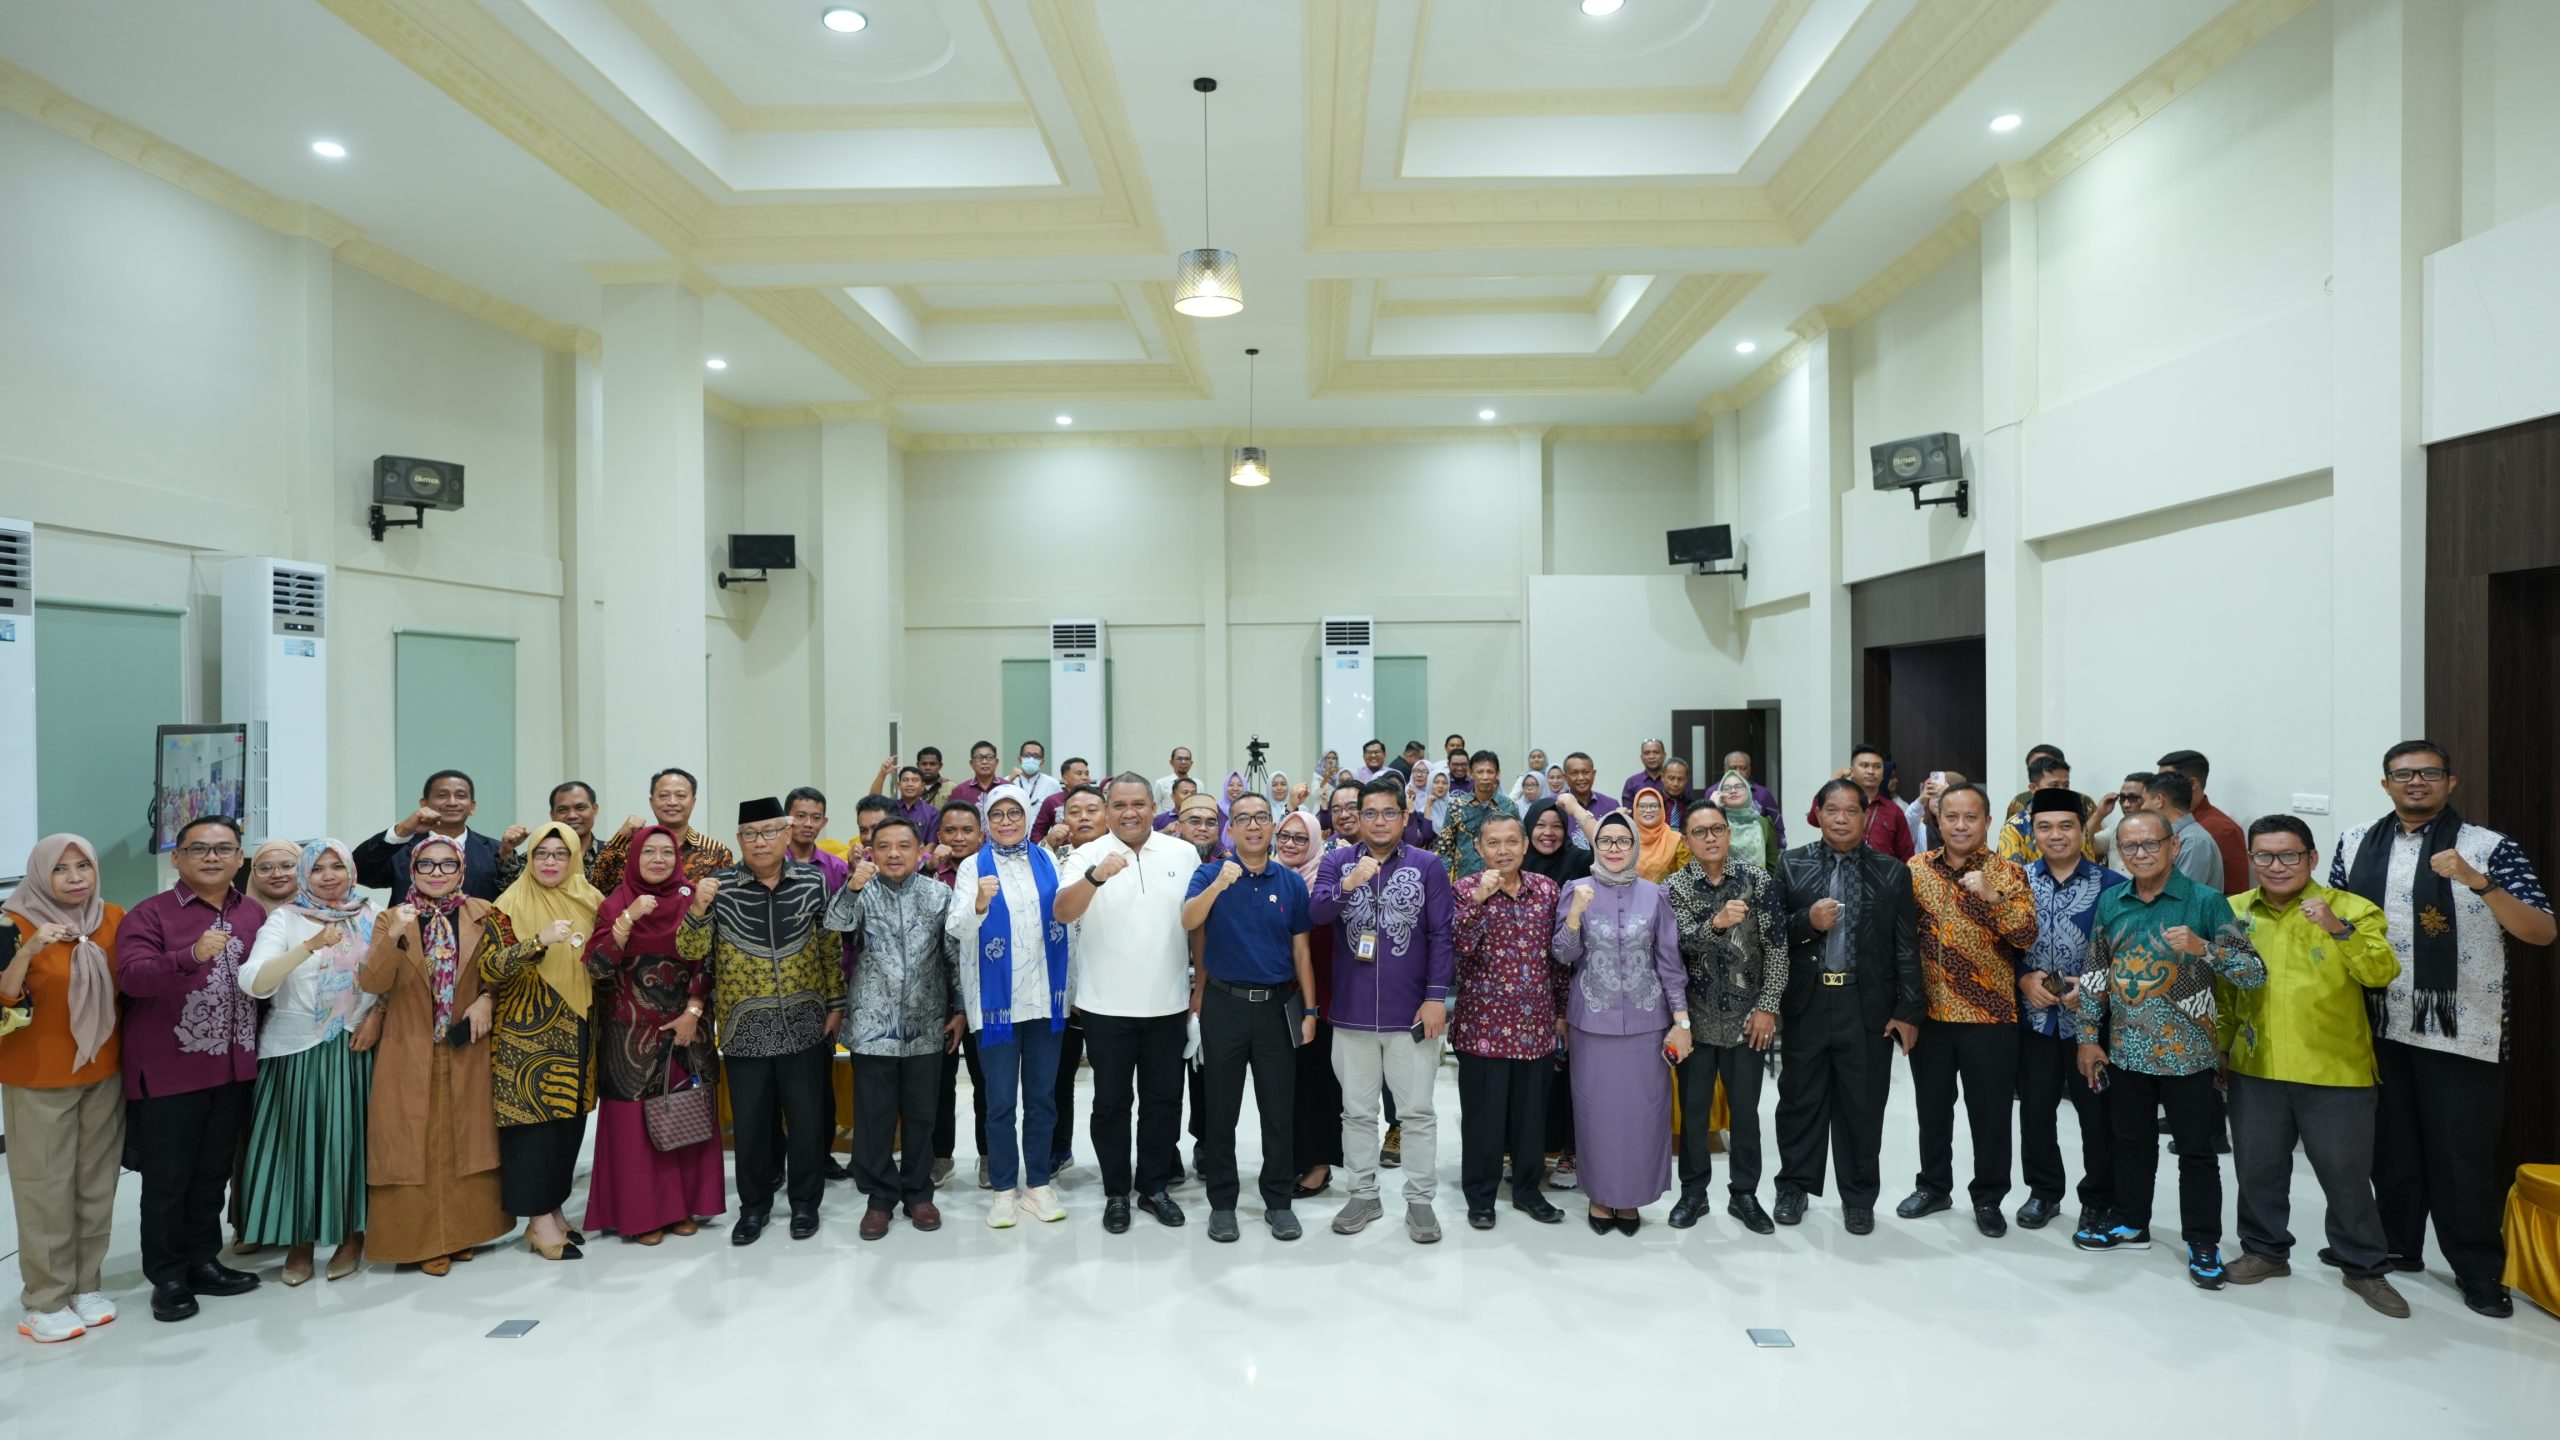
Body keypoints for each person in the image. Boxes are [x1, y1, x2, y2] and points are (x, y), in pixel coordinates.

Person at [2332, 740, 2553, 1318]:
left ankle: (2478, 1269)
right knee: (2390, 1149)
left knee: (2462, 1158)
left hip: (2463, 1028)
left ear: (2451, 783)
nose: (2416, 782)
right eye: (2403, 774)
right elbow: (2335, 923)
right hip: (2378, 1020)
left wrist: (2479, 881)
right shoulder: (2354, 842)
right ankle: (2397, 1245)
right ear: (2385, 784)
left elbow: (2541, 932)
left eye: (2429, 773)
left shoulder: (2489, 847)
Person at [2219, 815, 2407, 1317]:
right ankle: (2264, 1251)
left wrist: (2338, 929)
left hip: (2335, 1069)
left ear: (2312, 858)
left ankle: (2363, 1266)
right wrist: (2220, 1049)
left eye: (2289, 855)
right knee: (2257, 1169)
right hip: (2257, 1065)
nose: (2276, 866)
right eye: (2264, 856)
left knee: (2347, 1176)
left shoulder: (2352, 909)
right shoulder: (2234, 911)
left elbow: (2381, 972)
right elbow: (2224, 989)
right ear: (2252, 859)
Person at [2070, 810, 2266, 1289]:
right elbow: (2095, 973)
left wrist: (2204, 949)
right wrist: (2088, 1037)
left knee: (2197, 1154)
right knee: (2130, 1143)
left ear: (2173, 847)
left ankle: (2202, 1241)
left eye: (2151, 844)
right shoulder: (2113, 900)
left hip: (2189, 1057)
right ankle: (2130, 1222)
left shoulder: (2205, 902)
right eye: (2129, 846)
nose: (2140, 854)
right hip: (2127, 1052)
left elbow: (2253, 973)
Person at [114, 815, 265, 1320]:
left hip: (234, 1068)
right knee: (167, 1181)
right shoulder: (150, 915)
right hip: (169, 1070)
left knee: (211, 1174)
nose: (212, 857)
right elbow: (132, 978)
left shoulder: (252, 912)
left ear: (240, 859)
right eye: (199, 848)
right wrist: (189, 955)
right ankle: (168, 1277)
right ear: (177, 858)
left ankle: (203, 1261)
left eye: (224, 848)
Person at [358, 833, 521, 1278]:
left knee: (466, 1135)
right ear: (412, 870)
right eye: (426, 865)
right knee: (414, 1140)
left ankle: (466, 1232)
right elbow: (373, 983)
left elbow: (504, 969)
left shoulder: (484, 912)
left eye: (447, 864)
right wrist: (394, 935)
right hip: (409, 1043)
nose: (437, 873)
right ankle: (422, 1241)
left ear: (461, 869)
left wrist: (487, 997)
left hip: (466, 1042)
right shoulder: (392, 917)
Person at [691, 799, 844, 1243]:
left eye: (770, 832)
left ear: (786, 834)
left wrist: (836, 1004)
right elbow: (689, 951)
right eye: (750, 834)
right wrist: (697, 910)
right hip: (744, 1029)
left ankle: (805, 1205)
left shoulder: (812, 880)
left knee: (807, 1122)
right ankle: (753, 1208)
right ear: (739, 840)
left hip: (805, 1023)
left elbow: (829, 945)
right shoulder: (720, 887)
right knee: (752, 1126)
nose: (761, 842)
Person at [1311, 777, 1456, 1244]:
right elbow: (1317, 914)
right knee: (1355, 1112)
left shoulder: (1428, 865)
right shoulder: (1337, 861)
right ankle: (1363, 1194)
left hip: (1410, 1013)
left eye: (1388, 812)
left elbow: (1442, 934)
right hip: (1351, 1013)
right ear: (1356, 817)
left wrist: (1435, 998)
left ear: (1404, 817)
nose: (1378, 821)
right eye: (1369, 813)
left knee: (1416, 1113)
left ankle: (1420, 1200)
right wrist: (1349, 884)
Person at [1772, 781, 1922, 1235]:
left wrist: (1908, 1010)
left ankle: (1858, 1198)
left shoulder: (1892, 872)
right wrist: (1807, 921)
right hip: (1808, 1001)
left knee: (1863, 1104)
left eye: (1850, 811)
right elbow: (1773, 933)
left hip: (1866, 1004)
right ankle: (1794, 1187)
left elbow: (1905, 946)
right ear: (1817, 813)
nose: (1840, 819)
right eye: (1832, 810)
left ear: (1865, 816)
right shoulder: (1792, 863)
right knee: (1799, 1100)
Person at [1052, 776, 1195, 1233]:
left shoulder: (1183, 853)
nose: (1129, 812)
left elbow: (1197, 924)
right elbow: (1062, 911)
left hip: (1168, 1003)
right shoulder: (1086, 855)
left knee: (1163, 1102)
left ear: (1154, 806)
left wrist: (1199, 992)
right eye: (1119, 805)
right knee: (1111, 1104)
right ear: (1107, 809)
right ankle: (1116, 1192)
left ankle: (1153, 1188)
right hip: (1105, 1006)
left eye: (1138, 804)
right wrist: (1096, 877)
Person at [1895, 785, 2038, 1235]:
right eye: (1951, 817)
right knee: (1932, 1110)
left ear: (1988, 822)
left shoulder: (2008, 873)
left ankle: (1989, 1197)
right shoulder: (1916, 869)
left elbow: (2026, 936)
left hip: (1990, 1017)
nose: (1960, 826)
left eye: (1971, 817)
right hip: (1931, 1016)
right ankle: (1933, 1186)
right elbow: (1900, 938)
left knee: (1990, 1114)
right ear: (1937, 820)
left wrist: (1993, 897)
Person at [235, 839, 379, 1286]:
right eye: (318, 868)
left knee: (350, 1143)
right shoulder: (286, 918)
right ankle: (299, 1241)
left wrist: (378, 1014)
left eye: (337, 867)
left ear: (351, 871)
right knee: (296, 1146)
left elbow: (393, 977)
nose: (329, 876)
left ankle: (352, 1234)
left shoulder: (372, 915)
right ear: (305, 876)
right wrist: (310, 945)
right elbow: (253, 980)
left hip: (354, 1045)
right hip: (295, 1049)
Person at [2, 835, 127, 1342]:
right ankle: (45, 1298)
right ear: (39, 874)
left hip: (104, 1070)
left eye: (83, 866)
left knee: (96, 1184)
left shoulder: (112, 918)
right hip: (38, 1076)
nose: (75, 878)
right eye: (60, 869)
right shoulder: (12, 923)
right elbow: (4, 995)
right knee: (44, 1189)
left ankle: (85, 1284)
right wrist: (30, 950)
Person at [1182, 792, 1317, 1243]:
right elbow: (1188, 920)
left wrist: (1310, 1010)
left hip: (1277, 1007)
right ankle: (1223, 1203)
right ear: (1231, 828)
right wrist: (1219, 885)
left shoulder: (1291, 882)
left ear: (1273, 825)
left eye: (1261, 817)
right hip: (1225, 1005)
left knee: (1278, 1111)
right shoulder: (1209, 873)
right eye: (1243, 818)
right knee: (1221, 1111)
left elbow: (1302, 952)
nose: (1254, 825)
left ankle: (1278, 1201)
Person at [581, 827, 724, 1247]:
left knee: (685, 1112)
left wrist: (692, 1012)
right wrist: (628, 919)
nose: (658, 859)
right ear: (634, 858)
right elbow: (598, 967)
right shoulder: (615, 903)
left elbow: (710, 958)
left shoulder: (693, 898)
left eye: (667, 852)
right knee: (634, 1125)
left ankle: (683, 1207)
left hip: (686, 1027)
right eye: (649, 852)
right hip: (630, 1031)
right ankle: (642, 1213)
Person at [1551, 812, 1691, 1235]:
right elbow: (1563, 955)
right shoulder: (1575, 889)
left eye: (1622, 841)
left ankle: (1631, 1198)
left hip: (1648, 1025)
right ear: (1595, 846)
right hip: (1592, 1025)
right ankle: (1599, 1196)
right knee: (1596, 1113)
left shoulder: (1655, 894)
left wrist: (1681, 1021)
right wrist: (1574, 915)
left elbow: (1669, 962)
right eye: (1606, 841)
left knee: (1643, 1114)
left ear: (1635, 846)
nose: (1614, 849)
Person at [825, 817, 960, 1241]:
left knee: (922, 1114)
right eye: (884, 846)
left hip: (926, 1022)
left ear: (921, 851)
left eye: (904, 845)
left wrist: (959, 1009)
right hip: (872, 1024)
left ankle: (918, 1192)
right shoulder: (860, 891)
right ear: (872, 852)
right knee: (874, 1116)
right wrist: (851, 887)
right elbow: (834, 924)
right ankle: (880, 1197)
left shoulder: (939, 894)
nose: (894, 853)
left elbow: (953, 954)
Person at [946, 787, 1074, 1229]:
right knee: (999, 1101)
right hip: (994, 1006)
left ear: (1027, 817)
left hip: (1044, 1001)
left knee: (1041, 1099)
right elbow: (958, 929)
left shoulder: (1048, 860)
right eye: (997, 814)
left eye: (1014, 813)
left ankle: (1038, 1184)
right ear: (987, 821)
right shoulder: (971, 866)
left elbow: (1067, 926)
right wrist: (980, 902)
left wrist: (1070, 991)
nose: (1006, 821)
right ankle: (1003, 1189)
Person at [1664, 803, 1786, 1233]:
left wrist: (1767, 1007)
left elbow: (1777, 948)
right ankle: (1693, 1194)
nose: (1710, 837)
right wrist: (1716, 924)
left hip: (1746, 1020)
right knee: (1694, 1113)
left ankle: (1745, 1194)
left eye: (1717, 829)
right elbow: (1676, 947)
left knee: (1746, 1114)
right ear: (1687, 840)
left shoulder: (1757, 880)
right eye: (1700, 832)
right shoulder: (1673, 887)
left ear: (1729, 833)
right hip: (1693, 1022)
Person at [484, 822, 601, 1262]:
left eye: (560, 854)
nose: (550, 862)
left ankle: (553, 1208)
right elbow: (491, 967)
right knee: (532, 1128)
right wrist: (538, 941)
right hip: (526, 1031)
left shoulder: (591, 900)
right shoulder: (508, 904)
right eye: (541, 854)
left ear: (574, 858)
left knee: (568, 1124)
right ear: (529, 858)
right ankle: (537, 1222)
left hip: (580, 1025)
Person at [1448, 813, 1566, 1230]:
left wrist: (1562, 1012)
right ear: (1479, 848)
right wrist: (1480, 900)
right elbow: (1458, 947)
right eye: (1494, 843)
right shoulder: (1464, 889)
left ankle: (1528, 1190)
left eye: (1511, 841)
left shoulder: (1546, 890)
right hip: (1483, 1028)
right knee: (1484, 1117)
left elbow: (1558, 958)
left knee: (1531, 1117)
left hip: (1536, 1026)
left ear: (1525, 845)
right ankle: (1481, 1197)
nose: (1503, 850)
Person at [2015, 791, 2123, 1235]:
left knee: (2097, 1116)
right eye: (2045, 827)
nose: (2055, 835)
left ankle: (2099, 1198)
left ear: (2083, 830)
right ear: (2033, 832)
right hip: (2034, 1021)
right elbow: (1997, 945)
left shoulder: (2113, 885)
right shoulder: (2016, 881)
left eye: (2066, 826)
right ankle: (2043, 1191)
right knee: (2035, 1111)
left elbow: (2129, 954)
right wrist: (2023, 977)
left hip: (2092, 1027)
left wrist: (2095, 991)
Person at [1520, 797, 1592, 1189]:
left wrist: (1579, 813)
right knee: (1532, 1077)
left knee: (1569, 1073)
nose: (1548, 833)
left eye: (1557, 826)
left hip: (1571, 977)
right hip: (1525, 983)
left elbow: (1609, 852)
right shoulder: (1517, 862)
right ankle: (1527, 1150)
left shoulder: (1577, 861)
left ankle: (1570, 1152)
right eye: (1541, 825)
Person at [1275, 806, 1344, 1200]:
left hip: (1320, 1000)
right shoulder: (1268, 877)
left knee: (1316, 1083)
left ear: (1316, 841)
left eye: (1301, 838)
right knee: (1284, 1086)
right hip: (1276, 999)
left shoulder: (1324, 884)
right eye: (1285, 836)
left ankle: (1318, 1165)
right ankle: (1291, 1158)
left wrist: (1314, 1008)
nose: (1291, 844)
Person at [925, 801, 992, 1186]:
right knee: (939, 1081)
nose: (959, 837)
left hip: (985, 990)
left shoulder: (991, 871)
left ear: (981, 835)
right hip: (938, 994)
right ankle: (940, 1155)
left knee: (987, 1080)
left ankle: (989, 1155)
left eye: (967, 830)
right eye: (950, 830)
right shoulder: (928, 875)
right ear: (939, 836)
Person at [1044, 784, 1110, 1176]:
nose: (1083, 817)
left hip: (1111, 989)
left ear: (1107, 815)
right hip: (1060, 988)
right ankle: (1057, 1149)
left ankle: (1115, 1157)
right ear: (1063, 819)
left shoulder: (1121, 857)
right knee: (1058, 1078)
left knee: (1114, 1082)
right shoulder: (1049, 861)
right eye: (1074, 811)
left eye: (1092, 809)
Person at [354, 769, 525, 901]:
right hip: (410, 936)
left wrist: (507, 855)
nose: (452, 802)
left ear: (472, 806)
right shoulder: (400, 847)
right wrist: (403, 829)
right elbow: (358, 873)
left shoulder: (495, 851)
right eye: (442, 795)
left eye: (460, 796)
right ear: (424, 804)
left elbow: (516, 896)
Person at [593, 768, 735, 891]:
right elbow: (599, 885)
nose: (672, 802)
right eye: (663, 796)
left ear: (693, 802)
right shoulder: (633, 846)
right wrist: (621, 837)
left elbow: (726, 900)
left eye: (681, 796)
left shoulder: (716, 851)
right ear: (652, 802)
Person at [2157, 750, 2248, 894]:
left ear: (2192, 784)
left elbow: (2236, 892)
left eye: (2167, 780)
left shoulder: (2220, 828)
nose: (2159, 788)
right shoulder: (2170, 823)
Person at [1805, 743, 1914, 861]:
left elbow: (1906, 854)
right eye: (1864, 765)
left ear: (1883, 774)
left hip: (1881, 871)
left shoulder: (1894, 811)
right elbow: (1813, 820)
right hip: (1840, 868)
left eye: (1877, 767)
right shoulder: (1839, 804)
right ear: (1852, 771)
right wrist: (1832, 783)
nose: (1871, 771)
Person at [1995, 756, 2098, 864]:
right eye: (2054, 785)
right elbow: (2011, 872)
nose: (2062, 791)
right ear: (2034, 788)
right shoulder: (2014, 827)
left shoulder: (2076, 821)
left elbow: (2089, 865)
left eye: (2066, 785)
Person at [1434, 750, 1516, 881]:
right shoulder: (1456, 806)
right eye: (1480, 772)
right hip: (1465, 881)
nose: (1485, 777)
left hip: (1501, 879)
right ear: (1470, 773)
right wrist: (1443, 879)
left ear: (1498, 774)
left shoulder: (1509, 807)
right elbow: (1446, 849)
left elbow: (1517, 843)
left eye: (1490, 772)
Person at [2142, 770, 2225, 893]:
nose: (2142, 807)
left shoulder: (2194, 841)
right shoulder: (2171, 837)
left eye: (2144, 800)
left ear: (2159, 800)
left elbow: (2181, 896)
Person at [783, 786, 850, 893]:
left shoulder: (838, 869)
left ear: (824, 823)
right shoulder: (772, 863)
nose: (808, 824)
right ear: (786, 819)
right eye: (800, 816)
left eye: (816, 818)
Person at [1723, 750, 1787, 850]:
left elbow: (1777, 825)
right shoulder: (1714, 792)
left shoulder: (1763, 794)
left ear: (1749, 770)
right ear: (1725, 770)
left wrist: (1781, 850)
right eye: (1733, 768)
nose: (1738, 772)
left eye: (1743, 768)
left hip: (1758, 851)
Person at [1712, 770, 1775, 868]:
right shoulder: (1715, 821)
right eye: (1727, 788)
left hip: (1760, 877)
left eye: (1739, 787)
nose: (1733, 791)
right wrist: (1713, 808)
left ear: (1748, 791)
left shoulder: (1763, 823)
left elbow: (1772, 866)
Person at [1624, 787, 1686, 883]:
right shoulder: (1625, 839)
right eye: (1642, 806)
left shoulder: (1678, 840)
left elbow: (1686, 879)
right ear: (1635, 809)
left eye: (1654, 806)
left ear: (1662, 809)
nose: (1648, 810)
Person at [1555, 752, 1619, 846]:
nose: (1581, 778)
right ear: (1565, 777)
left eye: (1586, 772)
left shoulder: (1611, 805)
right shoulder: (1555, 804)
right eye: (1574, 773)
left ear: (1593, 774)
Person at [547, 781, 603, 874]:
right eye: (562, 810)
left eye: (580, 808)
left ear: (595, 809)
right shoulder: (537, 859)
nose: (572, 816)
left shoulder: (616, 855)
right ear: (552, 815)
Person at [1032, 757, 1094, 839]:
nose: (1085, 777)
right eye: (1079, 774)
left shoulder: (1096, 799)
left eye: (1087, 774)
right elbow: (1037, 833)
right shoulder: (1052, 801)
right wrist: (1045, 846)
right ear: (1065, 779)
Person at [244, 839, 303, 910]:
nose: (277, 875)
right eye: (266, 868)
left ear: (304, 868)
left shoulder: (315, 913)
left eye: (287, 866)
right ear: (254, 873)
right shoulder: (238, 914)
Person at [949, 740, 1006, 811]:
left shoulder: (1008, 787)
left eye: (989, 757)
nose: (984, 762)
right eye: (979, 758)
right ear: (971, 763)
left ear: (996, 762)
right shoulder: (960, 791)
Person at [1007, 740, 1062, 812]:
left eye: (1036, 756)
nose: (1031, 759)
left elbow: (1059, 811)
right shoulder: (1007, 781)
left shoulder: (1053, 784)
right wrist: (1009, 781)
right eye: (1027, 755)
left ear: (1042, 762)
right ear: (1019, 760)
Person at [1617, 739, 1669, 811]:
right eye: (1647, 753)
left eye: (1656, 752)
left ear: (1664, 755)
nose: (1651, 756)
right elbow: (1629, 812)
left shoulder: (1674, 781)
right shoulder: (1632, 782)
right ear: (1641, 758)